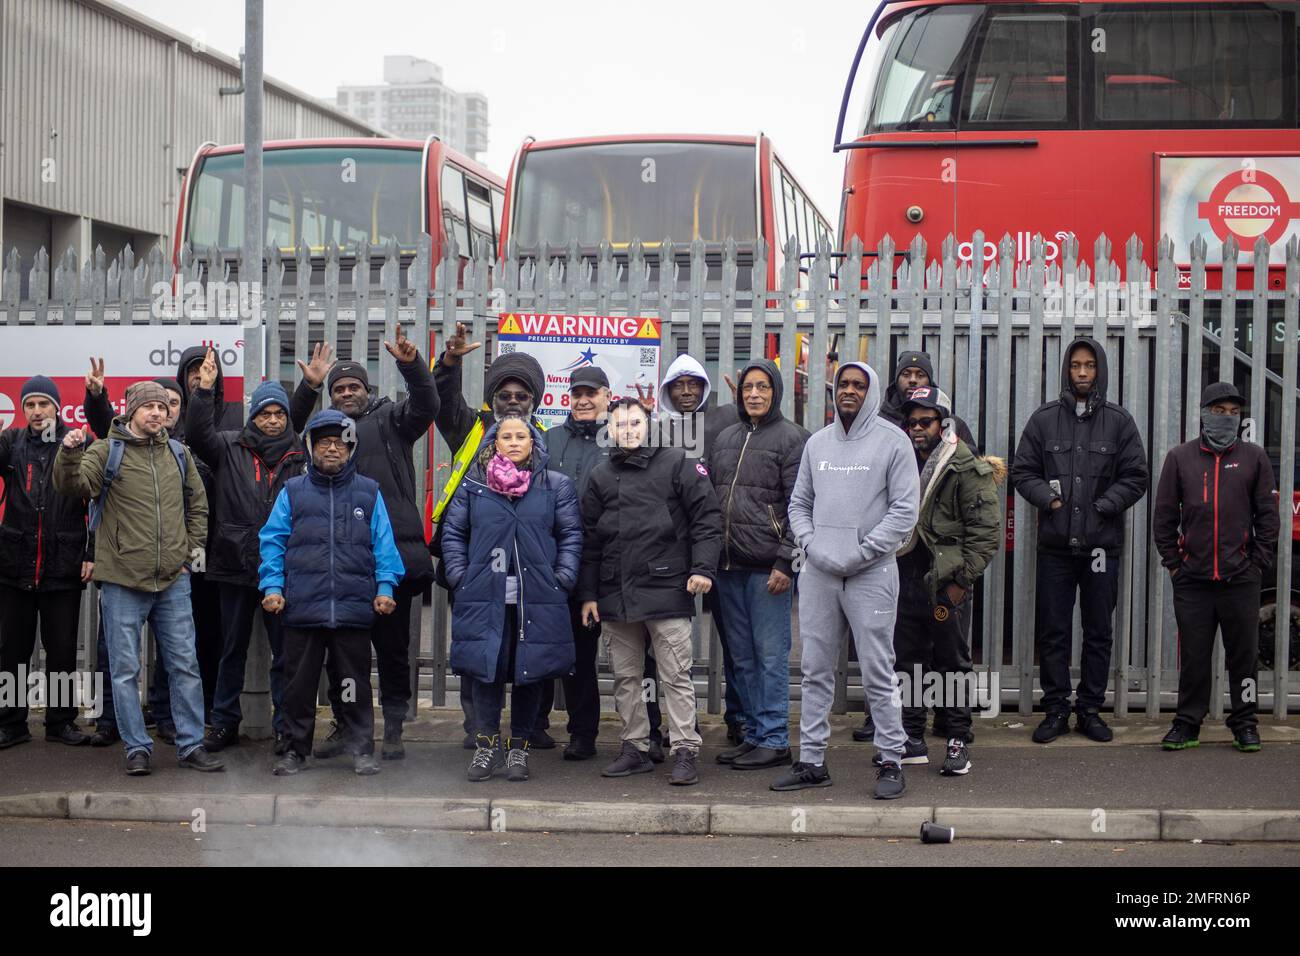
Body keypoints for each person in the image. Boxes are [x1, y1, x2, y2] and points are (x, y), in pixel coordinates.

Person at [53, 381, 222, 777]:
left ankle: (191, 744)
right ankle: (136, 748)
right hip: (122, 581)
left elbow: (198, 506)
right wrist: (69, 453)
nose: (157, 413)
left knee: (184, 665)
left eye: (162, 407)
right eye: (148, 407)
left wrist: (189, 557)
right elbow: (72, 485)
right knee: (125, 669)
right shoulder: (104, 450)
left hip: (173, 581)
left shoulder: (179, 454)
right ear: (131, 411)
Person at [291, 325, 438, 760]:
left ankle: (393, 728)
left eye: (354, 386)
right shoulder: (322, 435)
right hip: (340, 564)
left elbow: (428, 405)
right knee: (343, 658)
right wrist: (308, 386)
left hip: (391, 559)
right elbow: (286, 430)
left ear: (367, 390)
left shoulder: (392, 419)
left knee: (393, 652)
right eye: (338, 388)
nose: (346, 393)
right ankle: (346, 727)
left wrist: (413, 366)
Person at [774, 362, 918, 799]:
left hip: (871, 573)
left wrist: (863, 551)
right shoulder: (818, 443)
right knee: (815, 670)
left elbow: (904, 512)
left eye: (858, 385)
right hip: (819, 572)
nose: (849, 391)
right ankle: (812, 762)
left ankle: (891, 759)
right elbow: (798, 502)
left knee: (877, 669)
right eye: (843, 385)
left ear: (871, 391)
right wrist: (812, 545)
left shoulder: (894, 442)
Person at [1011, 337, 1147, 744]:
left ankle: (1089, 710)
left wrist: (1105, 506)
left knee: (1098, 630)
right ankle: (1055, 710)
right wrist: (1049, 501)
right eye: (1076, 366)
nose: (1083, 373)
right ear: (1066, 371)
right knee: (1052, 630)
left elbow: (1136, 476)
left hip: (1101, 546)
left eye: (1089, 366)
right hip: (1055, 546)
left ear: (1100, 370)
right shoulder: (1043, 420)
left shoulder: (1120, 422)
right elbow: (1022, 471)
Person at [579, 398, 722, 786]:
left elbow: (707, 518)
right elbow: (589, 540)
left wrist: (703, 569)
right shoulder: (600, 476)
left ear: (649, 425)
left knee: (675, 675)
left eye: (635, 423)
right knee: (626, 677)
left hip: (667, 586)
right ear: (610, 430)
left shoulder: (677, 462)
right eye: (620, 424)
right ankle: (635, 748)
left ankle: (685, 750)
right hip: (614, 593)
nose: (628, 430)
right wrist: (589, 593)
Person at [259, 409, 405, 776]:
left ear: (351, 448)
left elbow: (384, 545)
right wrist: (272, 586)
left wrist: (386, 587)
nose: (331, 448)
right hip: (302, 606)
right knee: (298, 685)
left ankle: (360, 748)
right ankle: (295, 750)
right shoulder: (292, 492)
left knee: (353, 683)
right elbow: (272, 542)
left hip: (353, 607)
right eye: (323, 441)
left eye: (340, 442)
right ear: (309, 447)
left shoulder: (368, 493)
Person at [442, 415, 582, 781]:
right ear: (495, 443)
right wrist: (460, 576)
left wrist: (562, 579)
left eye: (522, 436)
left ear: (533, 443)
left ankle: (518, 749)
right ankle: (487, 747)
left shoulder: (556, 485)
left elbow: (570, 535)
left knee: (529, 674)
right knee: (485, 674)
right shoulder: (473, 486)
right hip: (484, 597)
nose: (515, 442)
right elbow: (453, 534)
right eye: (507, 436)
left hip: (536, 599)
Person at [431, 322, 549, 748]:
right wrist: (449, 363)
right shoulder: (471, 429)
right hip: (477, 568)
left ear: (534, 401)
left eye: (522, 396)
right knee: (479, 652)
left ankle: (529, 730)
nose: (513, 403)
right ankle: (477, 730)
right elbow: (441, 402)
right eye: (505, 396)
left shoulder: (543, 442)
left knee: (527, 647)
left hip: (529, 571)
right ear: (492, 399)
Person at [184, 350, 306, 755]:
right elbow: (198, 434)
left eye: (279, 414)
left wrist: (312, 386)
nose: (272, 420)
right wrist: (203, 389)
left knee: (283, 654)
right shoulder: (227, 445)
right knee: (230, 649)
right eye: (264, 413)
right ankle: (223, 724)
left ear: (288, 418)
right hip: (233, 564)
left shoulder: (300, 454)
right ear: (252, 417)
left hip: (281, 569)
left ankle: (285, 728)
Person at [1152, 382, 1280, 753]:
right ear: (1203, 413)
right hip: (1193, 580)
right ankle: (1187, 723)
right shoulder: (1180, 458)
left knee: (1243, 657)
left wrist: (1256, 564)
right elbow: (1163, 518)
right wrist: (1175, 566)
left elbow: (1268, 519)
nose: (1227, 417)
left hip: (1240, 579)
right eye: (1219, 410)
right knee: (1194, 657)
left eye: (1233, 412)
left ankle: (1245, 723)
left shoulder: (1254, 458)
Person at [890, 386, 1004, 775]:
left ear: (944, 423)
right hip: (905, 576)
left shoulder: (965, 465)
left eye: (926, 421)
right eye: (911, 422)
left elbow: (985, 533)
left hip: (946, 581)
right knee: (907, 661)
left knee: (951, 664)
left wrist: (961, 583)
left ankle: (957, 741)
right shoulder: (901, 460)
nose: (917, 428)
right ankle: (912, 737)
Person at [708, 359, 808, 770]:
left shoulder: (792, 439)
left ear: (776, 392)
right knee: (742, 657)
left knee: (770, 658)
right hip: (727, 568)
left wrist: (786, 561)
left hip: (769, 570)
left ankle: (775, 739)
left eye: (763, 387)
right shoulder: (725, 438)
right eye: (748, 387)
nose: (754, 394)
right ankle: (752, 734)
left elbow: (800, 507)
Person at [652, 354, 743, 745]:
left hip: (718, 546)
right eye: (678, 385)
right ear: (668, 390)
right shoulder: (656, 429)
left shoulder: (726, 419)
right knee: (664, 647)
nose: (687, 392)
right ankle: (661, 726)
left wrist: (747, 409)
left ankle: (739, 720)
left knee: (735, 640)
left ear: (705, 388)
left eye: (694, 384)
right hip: (670, 551)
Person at [0, 377, 94, 748]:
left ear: (57, 407)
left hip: (63, 563)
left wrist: (91, 554)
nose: (37, 412)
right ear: (22, 411)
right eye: (30, 405)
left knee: (61, 651)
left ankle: (59, 723)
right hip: (14, 563)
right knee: (11, 652)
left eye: (44, 404)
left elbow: (99, 502)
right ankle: (11, 724)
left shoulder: (78, 441)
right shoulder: (10, 443)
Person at [534, 366, 611, 761]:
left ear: (607, 395)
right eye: (576, 393)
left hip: (597, 566)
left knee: (583, 655)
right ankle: (535, 726)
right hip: (549, 563)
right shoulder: (548, 440)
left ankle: (584, 734)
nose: (583, 400)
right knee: (541, 646)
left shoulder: (618, 441)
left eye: (591, 393)